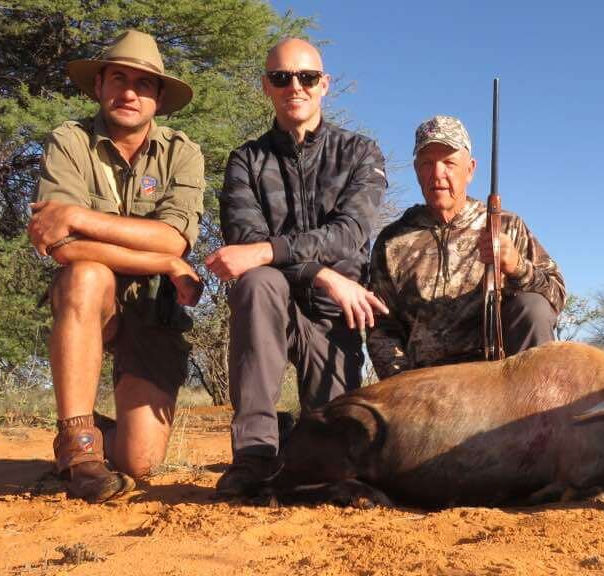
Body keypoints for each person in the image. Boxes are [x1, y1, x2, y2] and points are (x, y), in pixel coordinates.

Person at [28, 30, 205, 503]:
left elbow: (173, 235)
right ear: (100, 86)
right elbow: (62, 247)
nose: (130, 93)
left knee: (139, 463)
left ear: (159, 96)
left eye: (144, 84)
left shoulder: (181, 152)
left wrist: (82, 218)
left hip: (153, 310)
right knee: (86, 275)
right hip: (93, 300)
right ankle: (78, 447)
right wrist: (164, 259)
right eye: (119, 79)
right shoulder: (69, 140)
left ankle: (104, 436)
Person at [206, 38, 387, 497]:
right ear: (266, 85)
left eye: (307, 77)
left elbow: (350, 232)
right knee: (258, 284)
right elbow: (245, 247)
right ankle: (254, 453)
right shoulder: (246, 160)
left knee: (331, 457)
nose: (295, 87)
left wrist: (271, 253)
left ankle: (294, 441)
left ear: (324, 84)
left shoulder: (361, 153)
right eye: (281, 77)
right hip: (280, 303)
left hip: (333, 315)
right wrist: (321, 273)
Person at [367, 115, 565, 379]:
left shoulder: (507, 225)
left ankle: (537, 408)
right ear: (416, 170)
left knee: (533, 306)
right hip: (423, 386)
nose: (437, 174)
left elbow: (556, 295)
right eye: (427, 163)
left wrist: (518, 268)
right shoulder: (391, 241)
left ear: (470, 169)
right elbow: (381, 327)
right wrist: (401, 386)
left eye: (449, 162)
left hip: (497, 381)